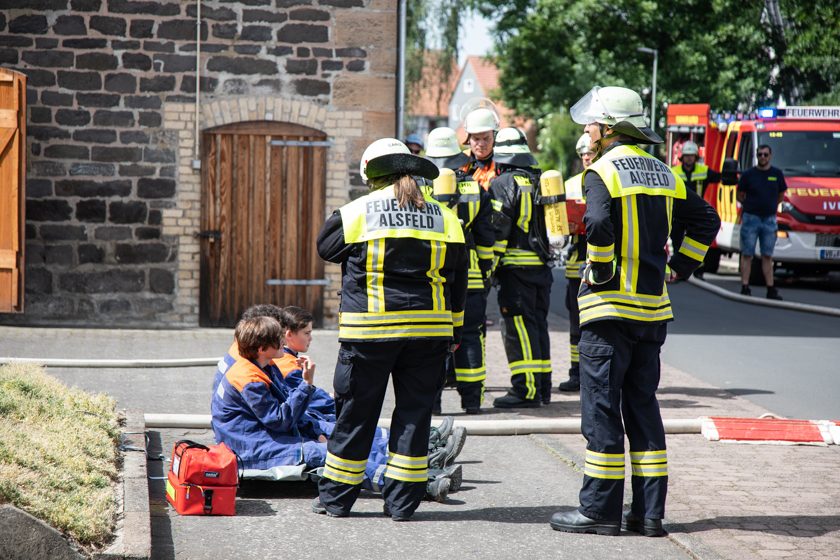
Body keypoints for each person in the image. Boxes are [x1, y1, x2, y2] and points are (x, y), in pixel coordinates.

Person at [549, 86, 720, 537]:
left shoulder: (601, 170)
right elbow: (706, 220)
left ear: (607, 130)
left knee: (602, 412)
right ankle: (648, 514)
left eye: (590, 126)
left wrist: (600, 270)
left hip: (607, 313)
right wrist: (680, 266)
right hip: (651, 314)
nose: (586, 134)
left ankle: (599, 511)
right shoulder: (666, 172)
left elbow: (600, 224)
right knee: (643, 409)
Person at [315, 138, 468, 521]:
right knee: (415, 416)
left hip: (369, 333)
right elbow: (459, 280)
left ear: (370, 174)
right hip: (429, 334)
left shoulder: (356, 212)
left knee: (356, 414)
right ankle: (402, 505)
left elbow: (324, 247)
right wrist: (455, 331)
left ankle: (336, 500)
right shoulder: (445, 217)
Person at [212, 315, 464, 498]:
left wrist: (313, 428)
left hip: (265, 438)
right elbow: (280, 420)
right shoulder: (248, 377)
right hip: (254, 450)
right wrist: (306, 385)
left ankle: (424, 465)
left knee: (341, 439)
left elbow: (283, 411)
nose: (283, 344)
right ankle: (421, 485)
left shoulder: (261, 365)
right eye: (278, 341)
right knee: (331, 455)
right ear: (262, 348)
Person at [426, 126, 495, 414]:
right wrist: (487, 270)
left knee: (432, 339)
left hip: (432, 277)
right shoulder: (474, 188)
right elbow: (486, 239)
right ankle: (472, 401)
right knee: (470, 337)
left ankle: (434, 404)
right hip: (472, 279)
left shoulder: (418, 188)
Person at [488, 127, 555, 408]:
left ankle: (525, 390)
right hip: (541, 268)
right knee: (538, 326)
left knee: (518, 329)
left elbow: (497, 231)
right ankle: (542, 388)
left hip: (515, 270)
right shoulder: (539, 179)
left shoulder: (502, 183)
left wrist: (487, 268)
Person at [557, 133, 594, 392]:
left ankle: (593, 373)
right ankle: (576, 372)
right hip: (575, 264)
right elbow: (558, 226)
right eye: (583, 155)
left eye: (590, 153)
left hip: (602, 261)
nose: (586, 158)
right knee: (575, 324)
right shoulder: (570, 185)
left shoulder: (609, 180)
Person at [737, 144, 786, 300]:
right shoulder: (749, 174)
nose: (763, 157)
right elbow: (739, 195)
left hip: (769, 219)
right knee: (747, 254)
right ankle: (745, 286)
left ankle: (770, 288)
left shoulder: (777, 174)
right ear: (756, 156)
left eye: (765, 155)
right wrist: (750, 206)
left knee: (767, 255)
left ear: (770, 156)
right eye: (760, 155)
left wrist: (770, 207)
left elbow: (781, 195)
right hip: (751, 218)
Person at [670, 141, 722, 278]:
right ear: (682, 157)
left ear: (696, 157)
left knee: (697, 242)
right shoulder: (674, 171)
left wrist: (730, 175)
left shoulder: (703, 170)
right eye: (686, 155)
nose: (689, 158)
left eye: (691, 155)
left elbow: (718, 177)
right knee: (677, 239)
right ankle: (677, 269)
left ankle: (698, 270)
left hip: (695, 213)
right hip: (678, 213)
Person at [460, 101, 501, 190]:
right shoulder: (461, 161)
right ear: (468, 139)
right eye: (476, 139)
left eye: (486, 138)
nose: (481, 144)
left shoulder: (502, 163)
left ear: (494, 137)